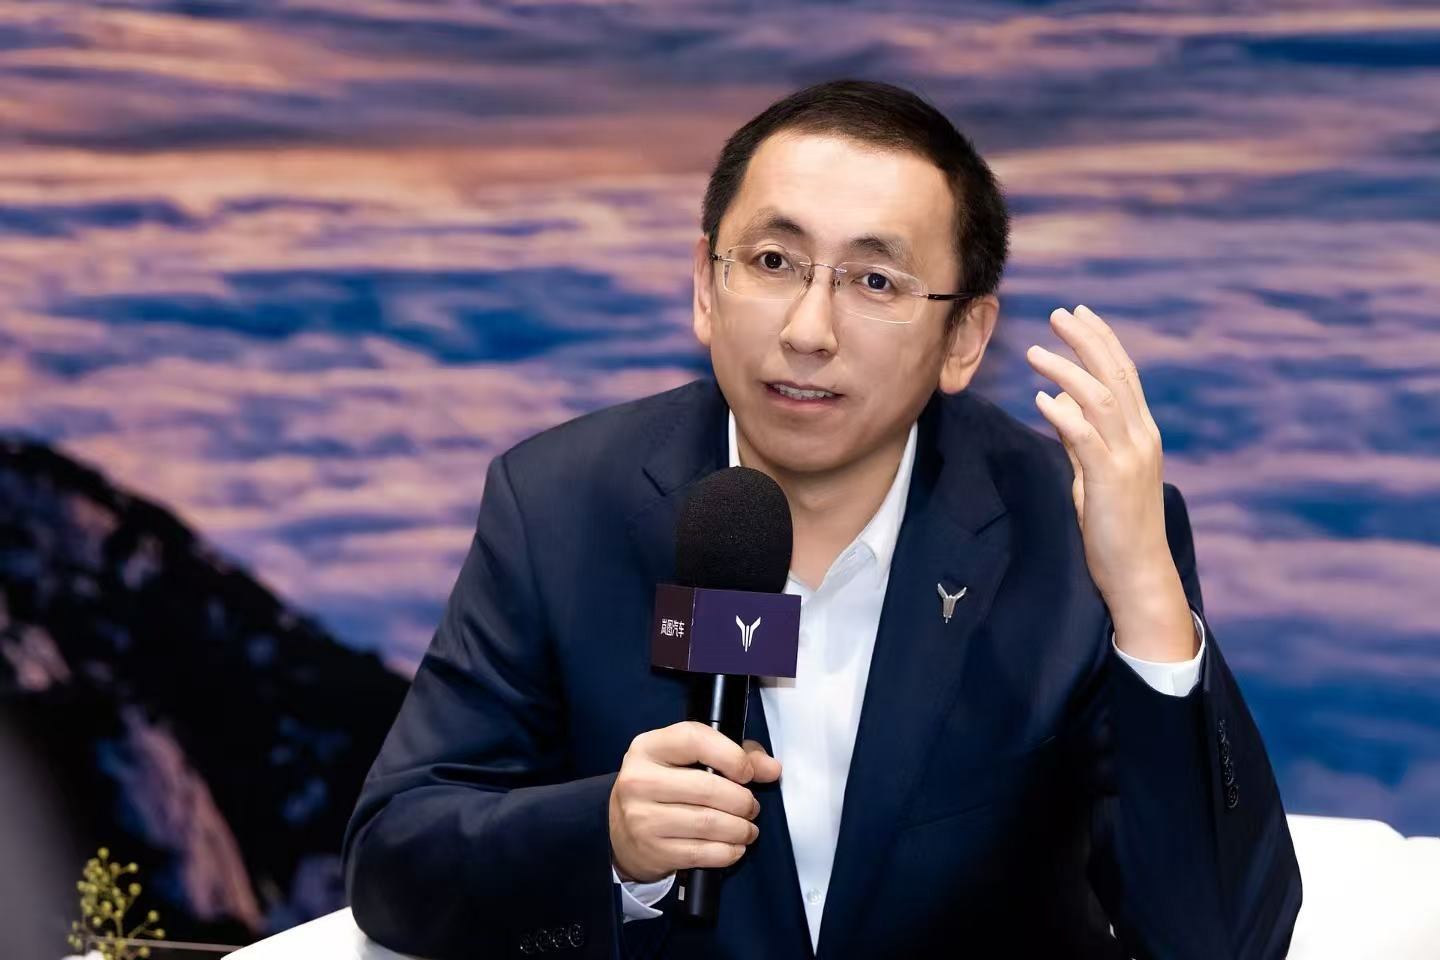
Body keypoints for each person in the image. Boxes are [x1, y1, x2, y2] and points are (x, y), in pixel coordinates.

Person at [342, 79, 1301, 959]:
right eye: (773, 262)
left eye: (875, 281)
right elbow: (396, 860)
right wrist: (609, 840)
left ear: (964, 338)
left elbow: (1223, 942)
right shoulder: (560, 506)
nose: (808, 330)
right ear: (705, 287)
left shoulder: (1073, 534)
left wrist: (1145, 600)